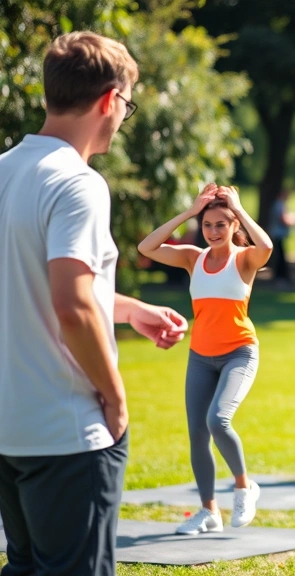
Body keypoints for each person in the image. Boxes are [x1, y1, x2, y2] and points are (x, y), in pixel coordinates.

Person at [0, 31, 189, 575]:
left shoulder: (6, 170)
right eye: (127, 105)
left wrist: (130, 311)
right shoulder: (78, 184)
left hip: (10, 427)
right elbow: (72, 306)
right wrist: (115, 397)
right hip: (65, 430)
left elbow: (31, 281)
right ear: (110, 100)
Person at [139, 183, 273, 534]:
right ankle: (209, 511)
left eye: (221, 224)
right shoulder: (191, 258)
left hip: (239, 353)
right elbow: (146, 247)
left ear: (233, 227)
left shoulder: (244, 260)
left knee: (218, 420)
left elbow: (267, 246)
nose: (213, 231)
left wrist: (240, 207)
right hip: (200, 356)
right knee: (197, 434)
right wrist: (189, 211)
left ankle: (245, 486)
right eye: (207, 224)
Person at [269, 189, 295, 283]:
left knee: (280, 255)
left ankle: (281, 276)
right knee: (280, 256)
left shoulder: (279, 204)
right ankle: (281, 276)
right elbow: (282, 219)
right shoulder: (279, 205)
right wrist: (293, 221)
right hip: (278, 234)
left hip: (278, 234)